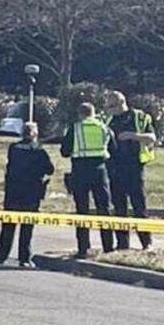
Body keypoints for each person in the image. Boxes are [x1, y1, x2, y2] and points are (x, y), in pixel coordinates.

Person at [60, 102, 115, 258]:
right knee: (104, 209)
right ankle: (108, 247)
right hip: (100, 170)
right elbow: (114, 149)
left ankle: (83, 248)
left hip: (80, 170)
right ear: (94, 113)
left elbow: (64, 151)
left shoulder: (76, 128)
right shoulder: (104, 127)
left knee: (82, 210)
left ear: (80, 114)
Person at [103, 90, 156, 250]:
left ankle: (146, 243)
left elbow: (152, 138)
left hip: (134, 167)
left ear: (121, 103)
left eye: (111, 106)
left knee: (139, 207)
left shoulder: (139, 117)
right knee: (119, 208)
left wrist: (133, 136)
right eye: (107, 106)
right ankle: (122, 244)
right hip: (114, 168)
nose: (109, 109)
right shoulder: (108, 120)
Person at [0, 122, 55, 267]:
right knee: (27, 226)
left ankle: (2, 256)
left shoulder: (13, 148)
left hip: (13, 191)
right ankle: (24, 258)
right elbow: (50, 170)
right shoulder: (39, 151)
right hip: (32, 192)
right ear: (35, 134)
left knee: (8, 226)